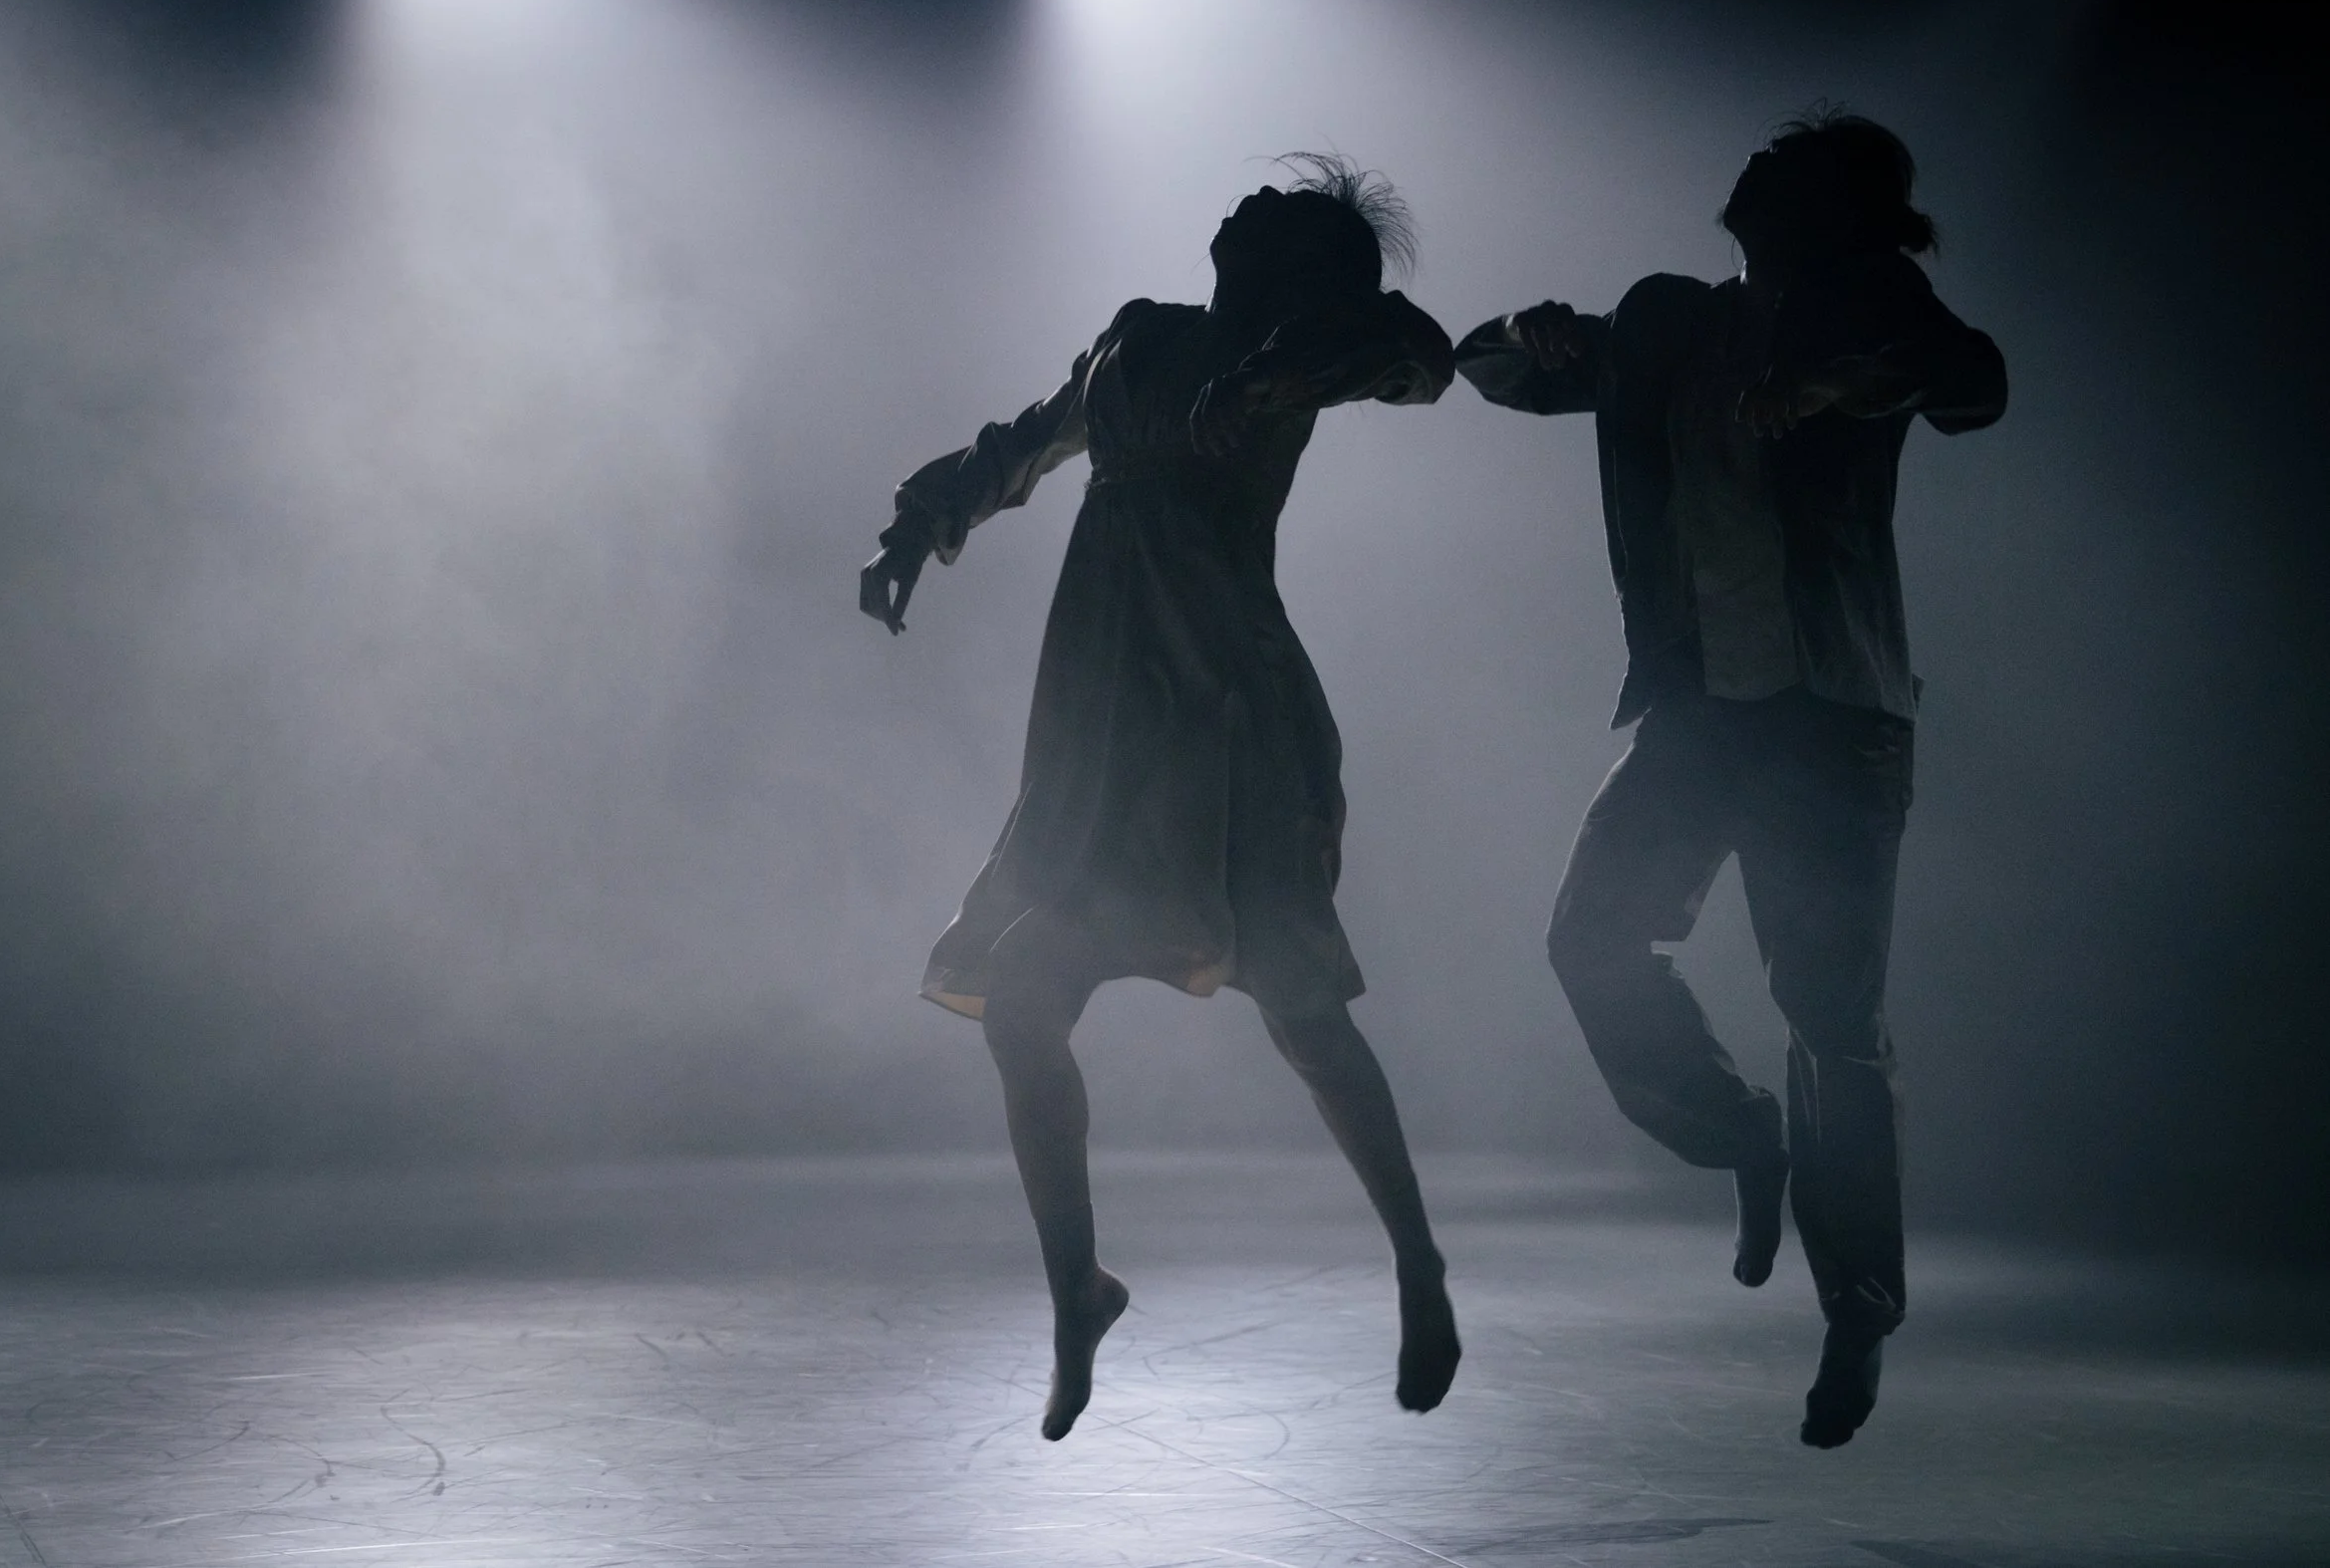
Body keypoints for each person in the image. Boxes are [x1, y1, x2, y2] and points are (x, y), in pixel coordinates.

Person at [859, 158, 1461, 1440]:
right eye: (1251, 201)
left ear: (1301, 269)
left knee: (1303, 1013)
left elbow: (1420, 353)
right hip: (1104, 731)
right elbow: (1027, 439)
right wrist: (922, 521)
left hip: (1232, 723)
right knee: (1021, 1000)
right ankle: (1078, 1282)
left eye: (1278, 216)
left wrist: (1304, 355)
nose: (1245, 205)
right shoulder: (1143, 336)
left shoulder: (1306, 349)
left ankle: (1415, 1254)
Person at [1453, 113, 2006, 1448]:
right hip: (1702, 714)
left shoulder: (1874, 303)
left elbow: (1971, 380)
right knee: (1592, 937)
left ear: (1844, 212)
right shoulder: (1669, 321)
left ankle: (1860, 1299)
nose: (1762, 162)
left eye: (1798, 160)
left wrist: (1837, 385)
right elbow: (1496, 372)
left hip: (1835, 721)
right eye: (1765, 151)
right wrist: (1519, 341)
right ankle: (1738, 1131)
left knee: (1830, 1012)